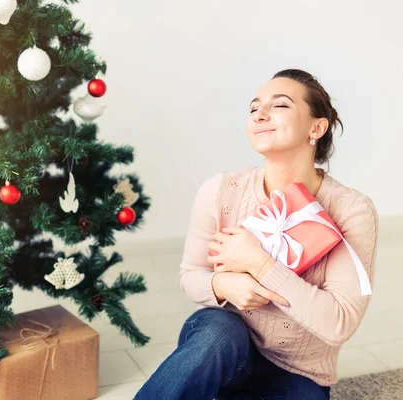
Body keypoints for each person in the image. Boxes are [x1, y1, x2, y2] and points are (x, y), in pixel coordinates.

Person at [133, 69, 379, 400]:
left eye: (279, 106)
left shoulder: (351, 210)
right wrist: (222, 285)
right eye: (253, 108)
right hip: (222, 349)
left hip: (298, 372)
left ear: (316, 127)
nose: (259, 115)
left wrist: (260, 264)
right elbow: (191, 275)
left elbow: (339, 323)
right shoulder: (220, 191)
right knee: (221, 333)